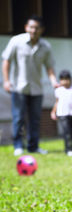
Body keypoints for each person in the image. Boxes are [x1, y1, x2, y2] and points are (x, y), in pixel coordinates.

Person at [1, 15, 58, 156]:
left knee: (35, 119)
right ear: (26, 27)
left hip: (37, 89)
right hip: (19, 87)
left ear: (41, 30)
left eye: (37, 28)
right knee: (18, 117)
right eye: (31, 27)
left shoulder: (45, 46)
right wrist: (6, 80)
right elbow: (6, 61)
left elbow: (49, 67)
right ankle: (18, 145)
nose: (33, 30)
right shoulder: (16, 41)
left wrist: (54, 82)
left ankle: (33, 146)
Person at [51, 70, 72, 156]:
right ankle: (68, 149)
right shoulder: (58, 90)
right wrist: (53, 111)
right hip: (62, 114)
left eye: (66, 79)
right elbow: (57, 102)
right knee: (66, 131)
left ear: (70, 79)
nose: (65, 82)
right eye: (62, 79)